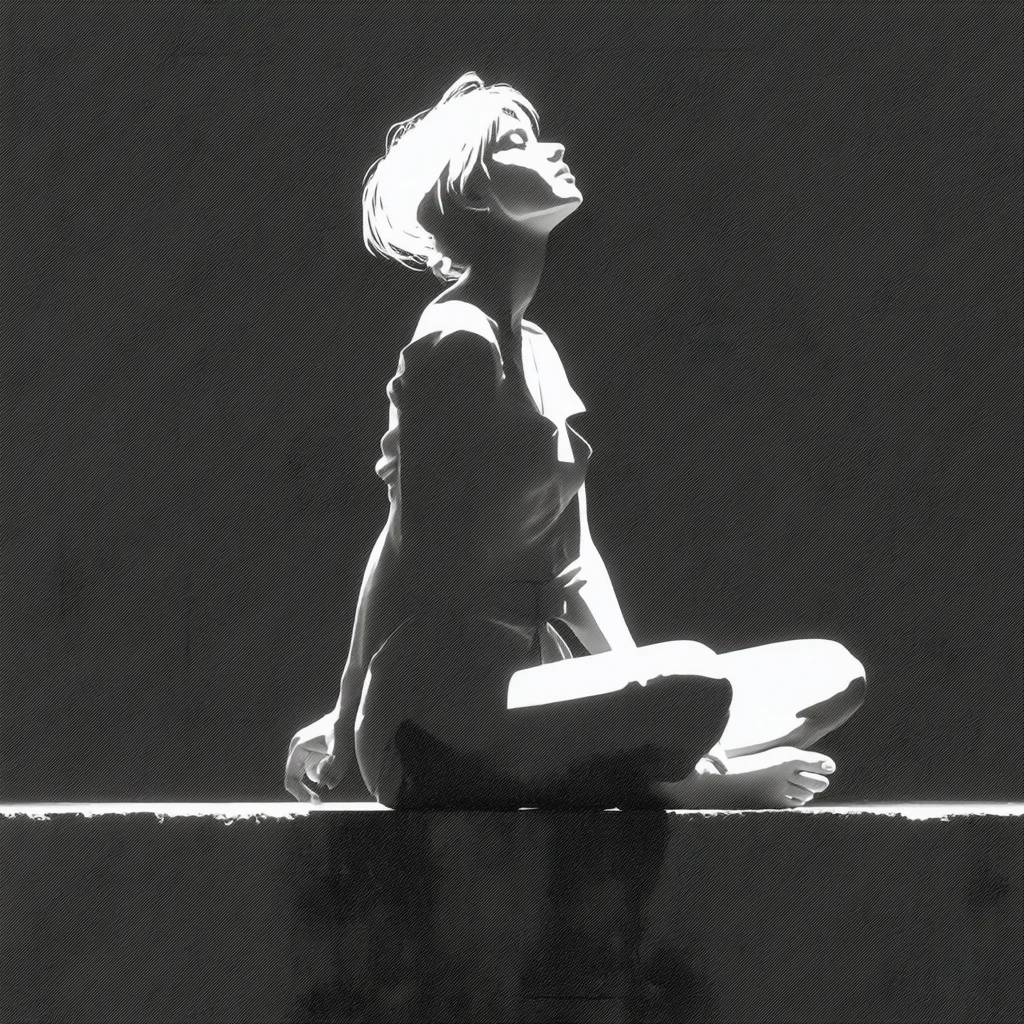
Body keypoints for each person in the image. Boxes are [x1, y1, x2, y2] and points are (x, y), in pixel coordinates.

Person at [285, 73, 867, 810]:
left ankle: (655, 756)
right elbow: (405, 547)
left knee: (829, 672)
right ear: (475, 194)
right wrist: (347, 717)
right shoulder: (455, 345)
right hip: (437, 717)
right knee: (693, 677)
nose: (553, 148)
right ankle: (681, 786)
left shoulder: (536, 349)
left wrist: (642, 693)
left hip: (540, 688)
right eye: (518, 143)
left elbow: (578, 561)